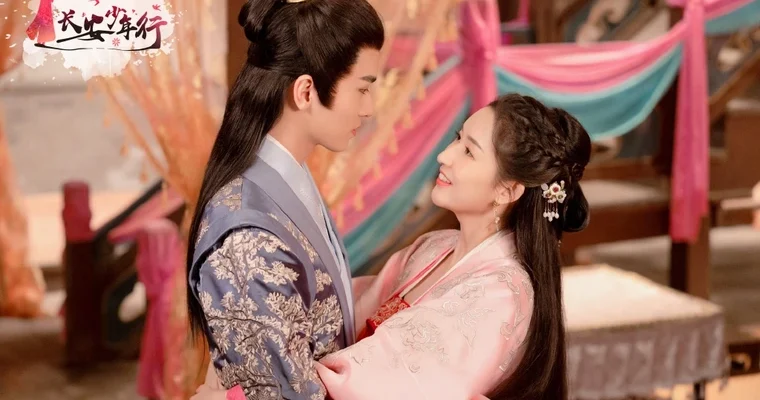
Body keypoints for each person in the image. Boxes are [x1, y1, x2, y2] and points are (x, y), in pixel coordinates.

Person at [197, 93, 592, 400]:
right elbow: (341, 313)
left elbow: (380, 382)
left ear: (507, 190)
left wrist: (254, 386)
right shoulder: (433, 247)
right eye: (457, 138)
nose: (445, 155)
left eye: (469, 151)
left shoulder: (503, 294)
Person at [185, 0, 384, 398]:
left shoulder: (289, 181)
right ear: (306, 91)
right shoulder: (246, 238)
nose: (369, 108)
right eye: (362, 89)